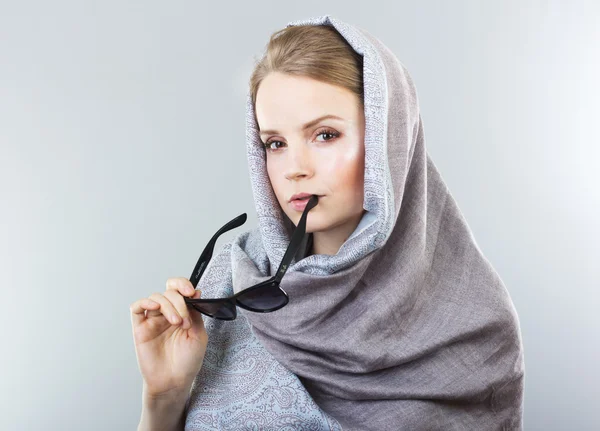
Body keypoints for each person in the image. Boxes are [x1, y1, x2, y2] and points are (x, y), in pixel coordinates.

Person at [130, 15, 525, 431]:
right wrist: (164, 395)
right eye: (275, 144)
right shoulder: (228, 284)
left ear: (385, 138)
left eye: (325, 135)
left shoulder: (473, 329)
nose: (294, 169)